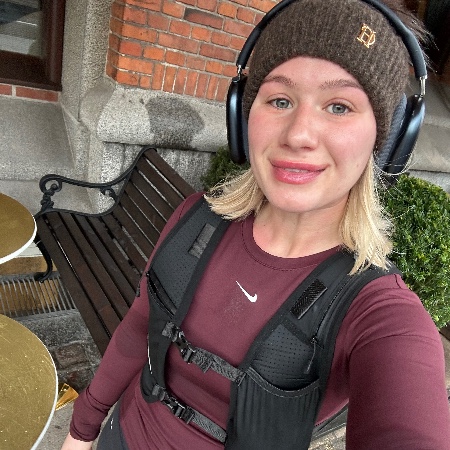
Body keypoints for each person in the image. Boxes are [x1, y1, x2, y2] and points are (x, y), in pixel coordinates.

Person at [61, 0, 450, 449]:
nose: (298, 134)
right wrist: (81, 429)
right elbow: (138, 327)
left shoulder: (380, 316)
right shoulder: (196, 220)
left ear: (388, 140)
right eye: (280, 100)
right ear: (243, 117)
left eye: (339, 106)